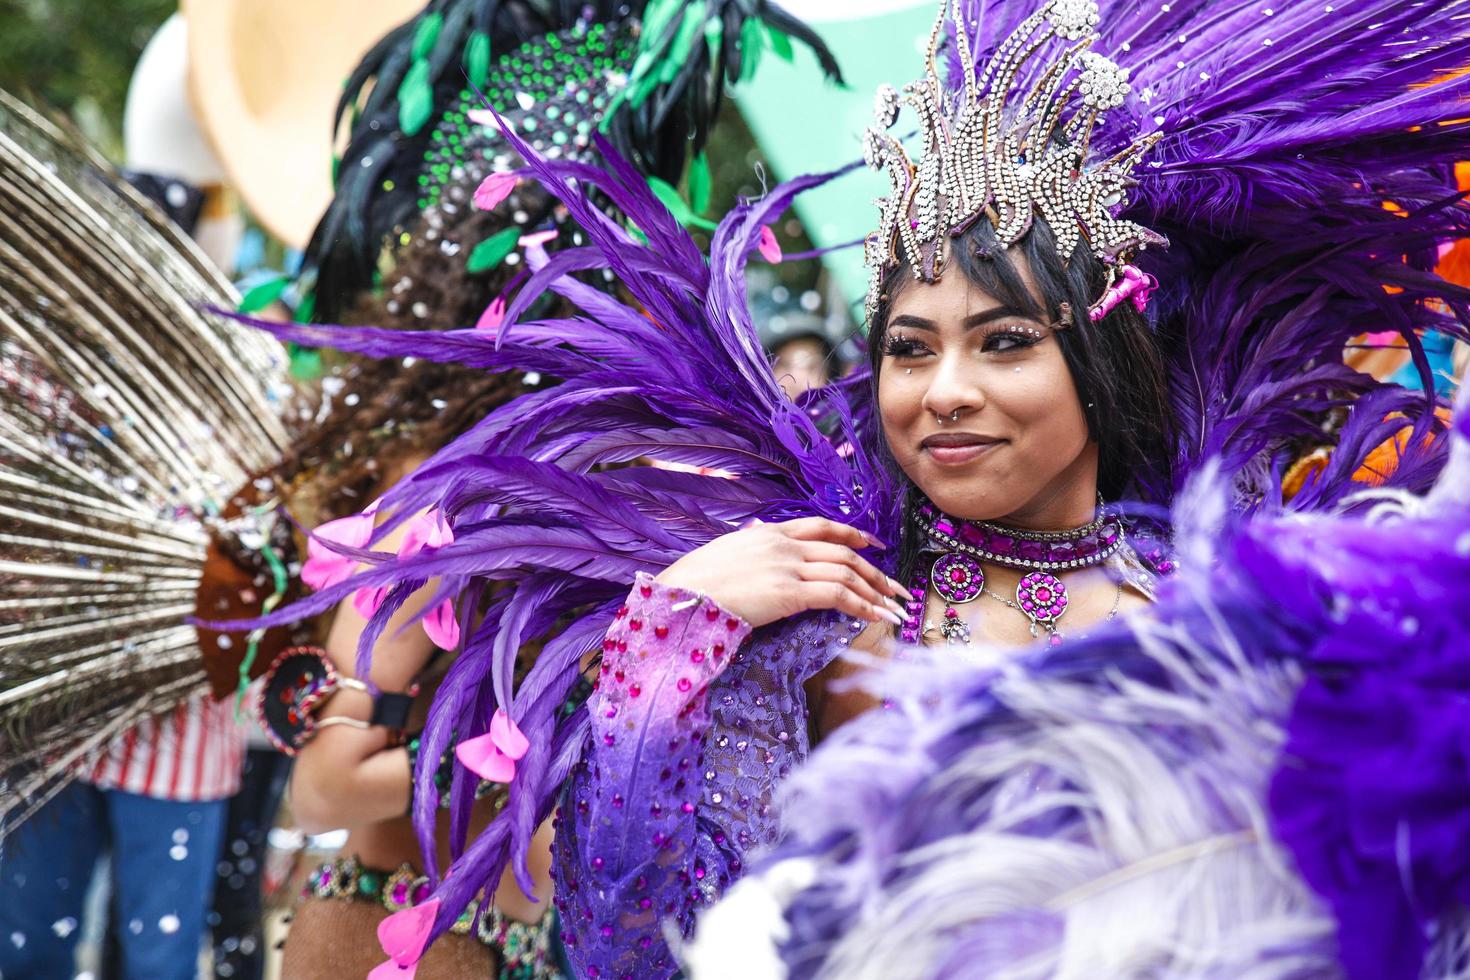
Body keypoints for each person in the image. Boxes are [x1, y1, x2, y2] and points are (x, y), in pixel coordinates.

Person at [235, 0, 1467, 974]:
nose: (944, 390)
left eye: (1003, 343)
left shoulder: (1235, 595)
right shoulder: (833, 611)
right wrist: (673, 632)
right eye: (910, 347)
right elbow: (634, 944)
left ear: (1096, 359)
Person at [234, 2, 842, 977]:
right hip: (387, 937)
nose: (646, 327)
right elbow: (323, 790)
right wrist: (527, 750)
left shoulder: (600, 494)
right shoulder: (438, 512)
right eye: (616, 303)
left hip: (511, 942)